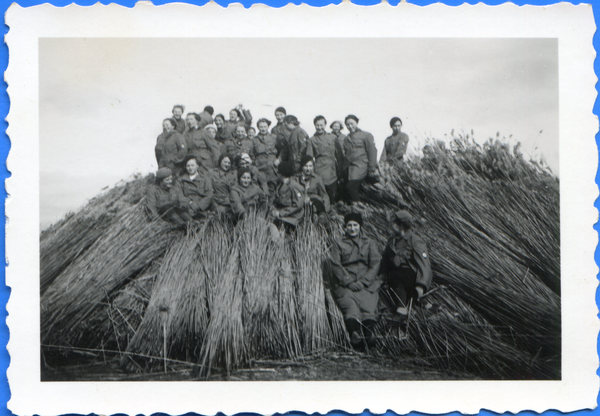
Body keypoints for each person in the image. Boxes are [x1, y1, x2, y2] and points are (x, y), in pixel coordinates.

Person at [329, 213, 382, 349]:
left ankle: (369, 333)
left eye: (355, 225)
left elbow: (375, 263)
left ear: (360, 226)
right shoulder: (338, 243)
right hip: (346, 284)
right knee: (350, 306)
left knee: (368, 305)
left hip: (366, 283)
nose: (352, 229)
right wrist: (349, 282)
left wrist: (363, 282)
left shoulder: (369, 242)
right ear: (345, 227)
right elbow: (336, 264)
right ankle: (355, 334)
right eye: (349, 226)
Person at [379, 210, 432, 321]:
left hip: (410, 275)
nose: (390, 226)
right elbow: (385, 259)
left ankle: (402, 310)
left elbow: (424, 264)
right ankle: (420, 301)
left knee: (399, 276)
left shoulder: (415, 240)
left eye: (393, 223)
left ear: (401, 225)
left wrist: (421, 285)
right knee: (394, 277)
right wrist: (382, 274)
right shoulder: (392, 241)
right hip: (396, 275)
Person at [342, 115, 378, 206]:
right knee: (350, 190)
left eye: (352, 124)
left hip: (360, 166)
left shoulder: (366, 135)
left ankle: (357, 208)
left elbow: (372, 151)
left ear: (357, 123)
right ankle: (356, 207)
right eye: (347, 124)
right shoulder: (346, 138)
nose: (350, 126)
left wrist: (371, 168)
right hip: (349, 168)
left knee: (351, 187)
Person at [308, 115, 344, 203]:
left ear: (325, 125)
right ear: (314, 126)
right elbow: (309, 157)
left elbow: (340, 156)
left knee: (332, 194)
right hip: (319, 169)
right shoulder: (312, 140)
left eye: (321, 125)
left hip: (332, 170)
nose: (319, 127)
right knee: (321, 194)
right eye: (317, 125)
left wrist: (340, 172)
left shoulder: (332, 137)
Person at [295, 155, 330, 224]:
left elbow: (324, 195)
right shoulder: (296, 178)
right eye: (306, 166)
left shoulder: (317, 178)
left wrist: (325, 210)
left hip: (316, 203)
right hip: (301, 203)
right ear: (302, 166)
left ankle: (321, 219)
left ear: (313, 167)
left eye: (310, 166)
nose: (308, 169)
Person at [271, 161, 305, 229]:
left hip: (293, 217)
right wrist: (273, 210)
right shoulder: (280, 185)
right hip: (282, 214)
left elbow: (298, 205)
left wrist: (281, 213)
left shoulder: (294, 186)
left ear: (281, 174)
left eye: (278, 172)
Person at [252, 118, 279, 193]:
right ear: (258, 128)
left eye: (265, 127)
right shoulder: (254, 139)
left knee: (273, 186)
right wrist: (255, 163)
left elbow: (282, 150)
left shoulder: (274, 137)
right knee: (262, 187)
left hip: (271, 166)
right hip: (260, 167)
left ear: (268, 127)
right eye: (261, 127)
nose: (263, 129)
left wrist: (278, 159)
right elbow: (252, 153)